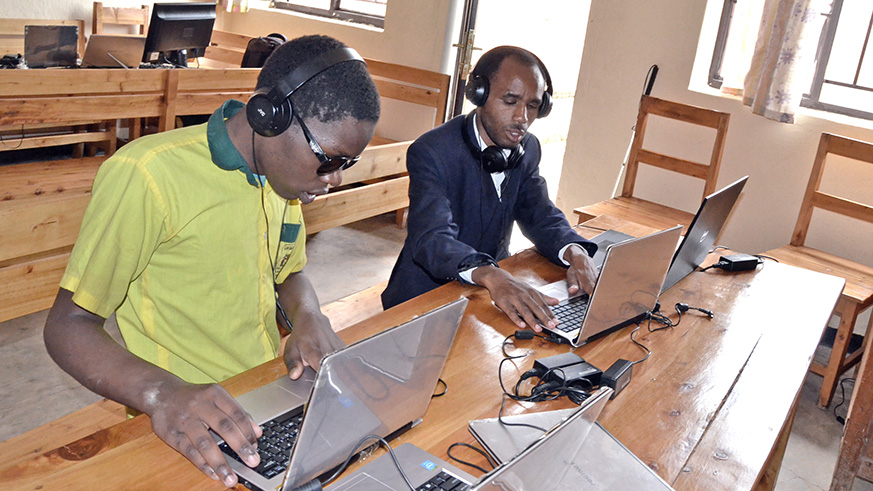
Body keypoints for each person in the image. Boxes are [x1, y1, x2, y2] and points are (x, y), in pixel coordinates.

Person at [43, 35, 380, 488]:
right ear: (268, 116)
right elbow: (67, 325)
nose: (334, 179)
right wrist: (162, 394)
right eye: (328, 160)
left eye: (348, 164)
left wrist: (309, 314)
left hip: (267, 394)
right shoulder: (149, 176)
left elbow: (290, 274)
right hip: (185, 418)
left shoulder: (282, 179)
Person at [381, 46, 597, 331]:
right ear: (479, 95)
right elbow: (431, 239)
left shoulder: (527, 148)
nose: (522, 117)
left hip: (487, 294)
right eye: (510, 101)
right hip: (424, 300)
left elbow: (540, 214)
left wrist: (576, 252)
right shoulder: (432, 151)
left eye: (533, 105)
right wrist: (492, 275)